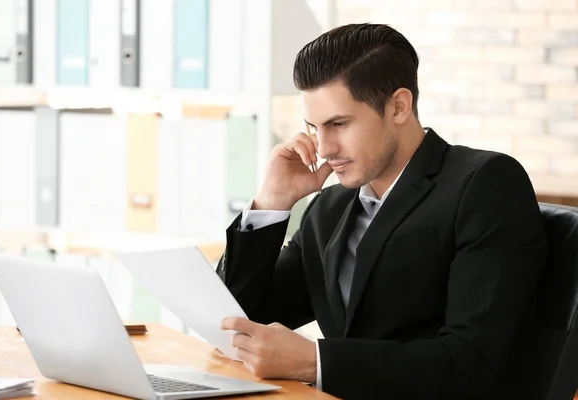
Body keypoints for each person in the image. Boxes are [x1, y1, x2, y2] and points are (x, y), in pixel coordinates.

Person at [218, 23, 547, 399]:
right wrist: (271, 202)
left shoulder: (484, 183)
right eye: (313, 127)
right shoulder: (329, 207)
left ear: (398, 106)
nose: (323, 148)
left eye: (339, 124)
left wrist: (315, 362)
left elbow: (472, 359)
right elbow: (236, 320)